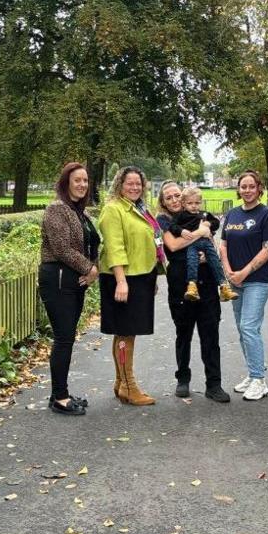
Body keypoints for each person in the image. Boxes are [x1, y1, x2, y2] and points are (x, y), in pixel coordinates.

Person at [156, 181, 231, 403]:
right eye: (168, 197)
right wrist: (200, 231)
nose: (173, 200)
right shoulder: (166, 221)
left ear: (184, 196)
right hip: (181, 285)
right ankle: (183, 379)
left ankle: (214, 384)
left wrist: (208, 254)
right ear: (163, 201)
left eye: (176, 195)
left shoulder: (199, 214)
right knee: (184, 333)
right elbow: (173, 245)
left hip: (206, 283)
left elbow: (212, 242)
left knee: (210, 334)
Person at [98, 166, 165, 406]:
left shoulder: (140, 209)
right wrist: (121, 281)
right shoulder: (113, 209)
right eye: (130, 183)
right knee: (126, 332)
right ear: (119, 184)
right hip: (123, 278)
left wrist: (153, 277)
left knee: (126, 332)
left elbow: (151, 244)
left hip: (140, 277)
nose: (135, 187)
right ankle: (129, 385)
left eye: (139, 183)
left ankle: (120, 382)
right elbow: (115, 247)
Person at [39, 162, 100, 415]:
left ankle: (59, 392)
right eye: (77, 180)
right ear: (66, 183)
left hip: (74, 280)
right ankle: (60, 398)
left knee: (67, 337)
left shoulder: (79, 212)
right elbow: (62, 248)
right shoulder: (57, 209)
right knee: (63, 338)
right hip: (58, 279)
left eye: (85, 181)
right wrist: (90, 268)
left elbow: (91, 244)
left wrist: (92, 267)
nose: (82, 185)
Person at [220, 170, 268, 401]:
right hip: (235, 280)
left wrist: (244, 272)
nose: (247, 190)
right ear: (238, 189)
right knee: (242, 329)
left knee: (249, 327)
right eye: (243, 186)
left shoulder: (266, 215)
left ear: (259, 188)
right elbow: (223, 244)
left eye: (251, 186)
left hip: (257, 280)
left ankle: (259, 380)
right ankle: (252, 374)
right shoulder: (232, 214)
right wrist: (228, 271)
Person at [167, 187, 239, 303]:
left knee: (215, 262)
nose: (194, 206)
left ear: (201, 203)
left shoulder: (204, 214)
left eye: (197, 203)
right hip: (192, 244)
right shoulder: (181, 216)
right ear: (184, 204)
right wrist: (181, 231)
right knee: (192, 262)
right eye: (190, 203)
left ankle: (224, 286)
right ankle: (192, 286)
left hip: (206, 244)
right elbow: (173, 226)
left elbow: (216, 223)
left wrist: (208, 223)